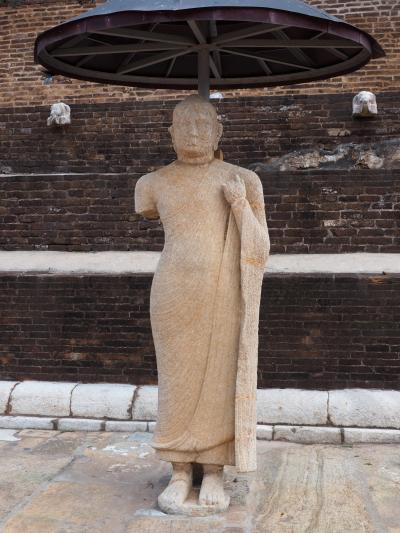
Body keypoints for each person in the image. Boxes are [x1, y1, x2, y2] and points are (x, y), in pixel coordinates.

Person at [135, 94, 270, 513]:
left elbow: (261, 247)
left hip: (224, 291)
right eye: (185, 124)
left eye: (203, 124)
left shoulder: (242, 179)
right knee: (176, 378)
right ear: (171, 133)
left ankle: (212, 470)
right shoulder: (152, 183)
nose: (194, 132)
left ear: (218, 131)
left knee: (219, 377)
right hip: (174, 291)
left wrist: (239, 204)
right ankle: (179, 470)